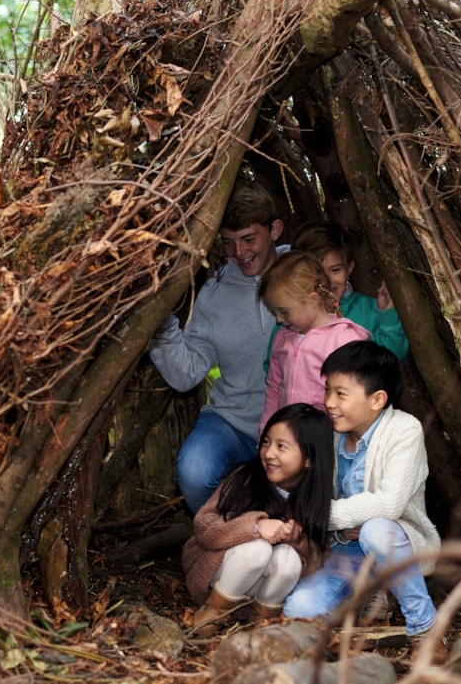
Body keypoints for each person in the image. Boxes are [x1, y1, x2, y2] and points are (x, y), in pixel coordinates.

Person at [283, 341, 445, 660]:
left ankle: (425, 630)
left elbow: (389, 505)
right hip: (343, 552)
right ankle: (368, 594)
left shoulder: (404, 430)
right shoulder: (328, 434)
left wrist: (322, 515)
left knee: (376, 530)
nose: (328, 402)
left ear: (377, 399)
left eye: (340, 394)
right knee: (299, 611)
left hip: (396, 545)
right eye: (327, 390)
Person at [149, 184, 285, 513]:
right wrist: (160, 325)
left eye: (249, 239)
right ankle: (221, 542)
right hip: (233, 422)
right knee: (195, 471)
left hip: (295, 422)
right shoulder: (215, 292)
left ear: (275, 230)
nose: (239, 252)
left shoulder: (302, 271)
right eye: (229, 242)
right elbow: (187, 373)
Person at [181, 403, 333, 637]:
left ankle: (261, 619)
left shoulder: (314, 500)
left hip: (261, 590)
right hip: (217, 575)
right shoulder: (246, 478)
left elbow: (316, 564)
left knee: (289, 560)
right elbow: (204, 527)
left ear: (309, 460)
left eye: (282, 446)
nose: (269, 453)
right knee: (257, 550)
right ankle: (214, 611)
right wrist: (255, 526)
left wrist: (297, 539)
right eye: (266, 442)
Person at [258, 250, 370, 435]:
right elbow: (274, 389)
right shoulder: (282, 338)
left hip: (330, 441)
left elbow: (357, 398)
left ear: (313, 300)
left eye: (284, 311)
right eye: (274, 312)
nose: (278, 319)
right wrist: (267, 432)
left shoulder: (343, 339)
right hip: (291, 441)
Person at [291, 221, 409, 360]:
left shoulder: (368, 310)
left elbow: (394, 356)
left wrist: (387, 317)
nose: (327, 280)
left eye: (335, 270)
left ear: (349, 268)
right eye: (317, 272)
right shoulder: (293, 314)